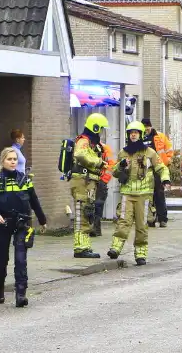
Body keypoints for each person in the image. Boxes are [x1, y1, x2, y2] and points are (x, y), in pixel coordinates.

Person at [0, 147, 47, 307]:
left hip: (21, 223)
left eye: (15, 159)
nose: (13, 162)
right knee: (1, 261)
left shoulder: (24, 180)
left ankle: (21, 295)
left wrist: (42, 220)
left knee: (21, 260)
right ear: (3, 161)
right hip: (3, 224)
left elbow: (34, 201)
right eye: (9, 159)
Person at [108, 121, 170, 266]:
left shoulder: (150, 153)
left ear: (141, 134)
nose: (133, 135)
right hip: (127, 194)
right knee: (123, 222)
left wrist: (165, 179)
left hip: (144, 195)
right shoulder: (123, 153)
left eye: (136, 132)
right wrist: (121, 165)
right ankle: (115, 249)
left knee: (142, 225)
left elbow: (161, 167)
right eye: (131, 133)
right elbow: (115, 173)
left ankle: (140, 254)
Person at [69, 113, 108, 258]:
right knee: (81, 215)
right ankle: (80, 248)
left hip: (88, 183)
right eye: (101, 128)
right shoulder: (83, 141)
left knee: (87, 214)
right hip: (81, 183)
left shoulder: (92, 143)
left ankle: (84, 246)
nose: (102, 131)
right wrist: (98, 162)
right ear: (95, 127)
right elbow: (80, 154)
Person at [142, 118, 174, 228]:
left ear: (150, 126)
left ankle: (162, 219)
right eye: (144, 127)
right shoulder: (140, 137)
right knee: (148, 196)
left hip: (159, 169)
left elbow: (169, 150)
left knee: (159, 194)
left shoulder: (160, 136)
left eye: (147, 127)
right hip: (146, 170)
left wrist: (167, 161)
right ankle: (151, 219)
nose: (146, 129)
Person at [90, 130, 117, 237]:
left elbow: (111, 166)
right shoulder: (86, 149)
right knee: (89, 204)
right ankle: (90, 227)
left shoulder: (105, 149)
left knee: (98, 204)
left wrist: (103, 180)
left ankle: (96, 228)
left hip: (100, 181)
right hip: (89, 181)